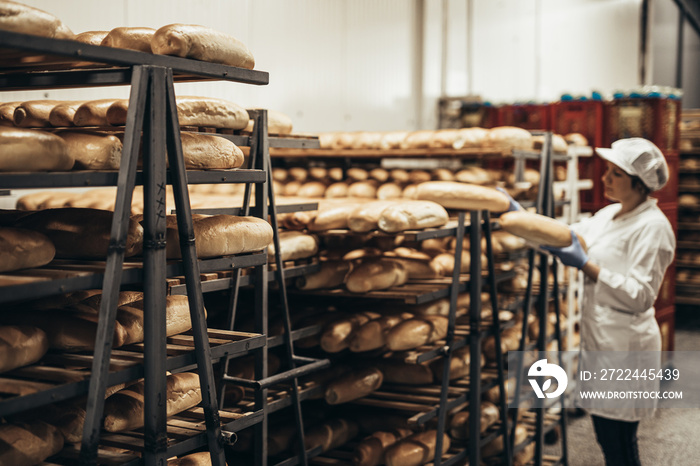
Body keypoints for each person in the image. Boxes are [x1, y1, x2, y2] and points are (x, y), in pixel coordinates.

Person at [541, 138, 676, 465]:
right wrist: (524, 219)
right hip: (603, 343)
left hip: (627, 349)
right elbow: (569, 233)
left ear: (639, 183)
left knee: (620, 443)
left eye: (615, 174)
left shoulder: (653, 227)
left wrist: (587, 266)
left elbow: (642, 295)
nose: (605, 179)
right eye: (607, 171)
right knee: (605, 435)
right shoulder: (609, 214)